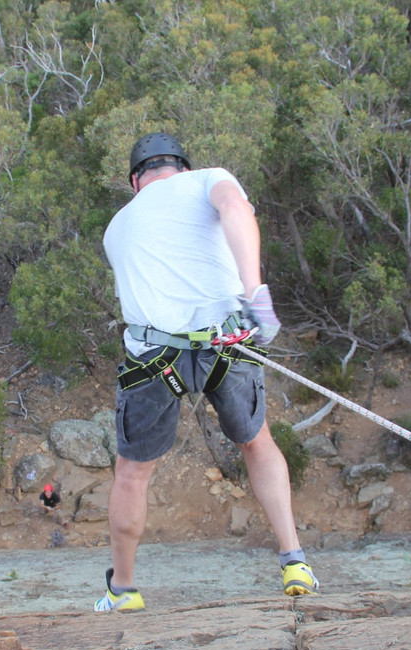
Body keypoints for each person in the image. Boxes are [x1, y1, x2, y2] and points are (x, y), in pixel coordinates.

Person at [95, 132, 318, 612]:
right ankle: (294, 561)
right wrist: (256, 293)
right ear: (181, 166)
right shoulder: (209, 179)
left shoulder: (118, 225)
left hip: (155, 356)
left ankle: (124, 591)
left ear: (137, 181)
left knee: (133, 474)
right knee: (257, 442)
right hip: (227, 340)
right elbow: (237, 211)